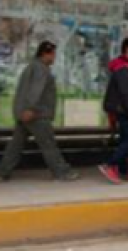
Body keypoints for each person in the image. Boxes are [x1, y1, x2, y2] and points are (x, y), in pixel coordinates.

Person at [0, 41, 79, 182]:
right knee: (48, 144)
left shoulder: (30, 66)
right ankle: (61, 172)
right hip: (36, 115)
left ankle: (3, 171)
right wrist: (30, 108)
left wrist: (22, 110)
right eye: (53, 54)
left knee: (15, 146)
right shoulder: (41, 69)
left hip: (23, 113)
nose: (54, 58)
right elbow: (36, 90)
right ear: (45, 54)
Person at [99, 38, 128, 184]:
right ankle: (109, 165)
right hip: (124, 110)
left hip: (125, 109)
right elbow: (125, 92)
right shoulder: (123, 68)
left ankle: (123, 169)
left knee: (126, 138)